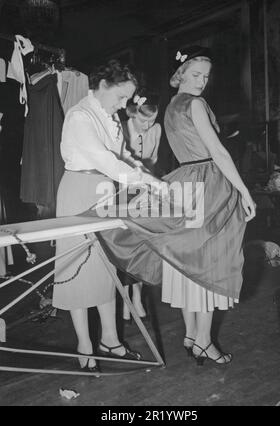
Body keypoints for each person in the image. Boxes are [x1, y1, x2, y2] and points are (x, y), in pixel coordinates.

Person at [52, 60, 162, 372]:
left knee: (106, 267)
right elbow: (103, 159)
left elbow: (122, 155)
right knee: (77, 267)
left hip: (105, 193)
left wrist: (149, 178)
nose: (123, 105)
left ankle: (110, 339)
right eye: (120, 97)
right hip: (79, 190)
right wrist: (142, 180)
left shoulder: (109, 115)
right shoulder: (79, 115)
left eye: (127, 99)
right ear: (102, 86)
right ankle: (84, 344)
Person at [161, 46, 256, 365]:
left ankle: (191, 334)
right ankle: (203, 341)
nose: (202, 81)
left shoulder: (172, 105)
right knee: (209, 263)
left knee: (188, 263)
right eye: (195, 74)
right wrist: (244, 190)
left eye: (206, 76)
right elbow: (218, 152)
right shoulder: (197, 103)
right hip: (207, 183)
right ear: (181, 74)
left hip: (183, 182)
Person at [121, 91, 161, 321]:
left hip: (146, 187)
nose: (149, 125)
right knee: (125, 246)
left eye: (153, 119)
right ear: (133, 113)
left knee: (142, 245)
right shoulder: (122, 127)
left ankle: (138, 295)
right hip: (124, 188)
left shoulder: (155, 130)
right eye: (144, 120)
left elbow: (153, 160)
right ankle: (126, 299)